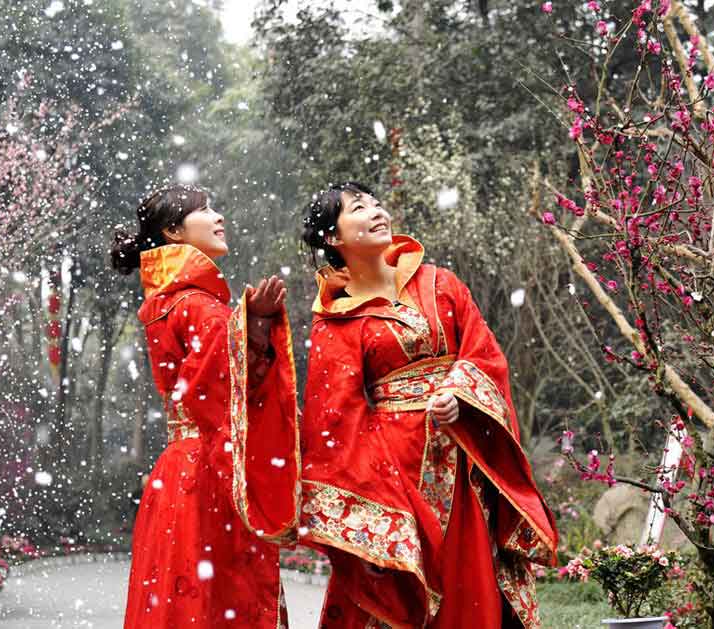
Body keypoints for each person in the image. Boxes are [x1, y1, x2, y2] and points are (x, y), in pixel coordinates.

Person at [298, 182, 558, 628]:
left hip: (464, 458)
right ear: (333, 238)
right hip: (395, 475)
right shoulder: (336, 322)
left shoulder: (440, 283)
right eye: (359, 208)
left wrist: (460, 393)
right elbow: (335, 420)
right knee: (409, 591)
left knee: (470, 583)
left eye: (376, 203)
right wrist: (375, 502)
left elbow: (484, 354)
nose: (376, 211)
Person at [110, 184, 301, 628]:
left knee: (183, 603)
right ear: (174, 231)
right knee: (223, 602)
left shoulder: (164, 301)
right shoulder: (198, 303)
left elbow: (205, 383)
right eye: (204, 210)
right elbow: (216, 394)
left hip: (179, 469)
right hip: (210, 470)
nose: (218, 216)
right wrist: (254, 334)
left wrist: (248, 333)